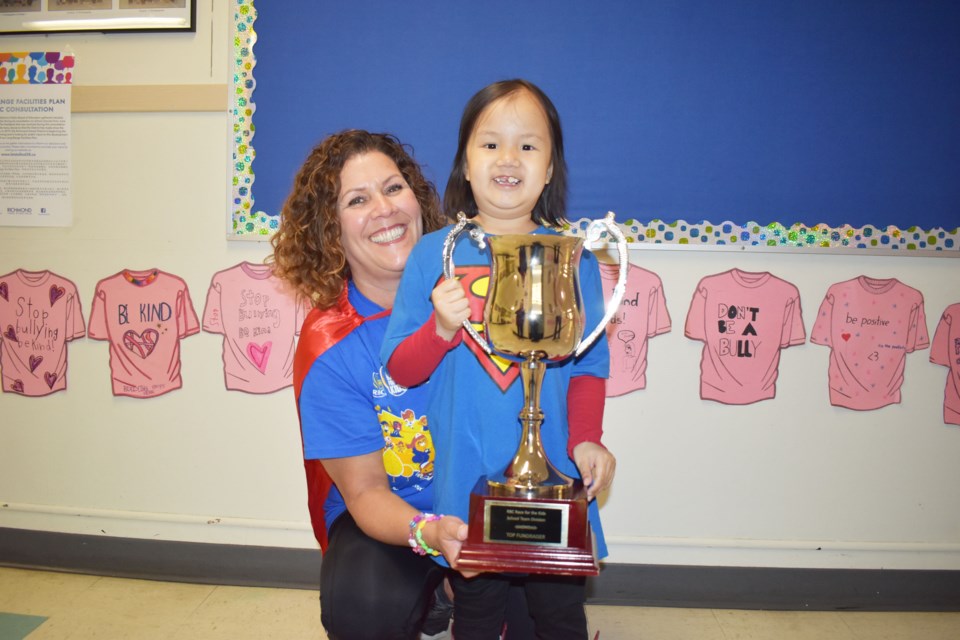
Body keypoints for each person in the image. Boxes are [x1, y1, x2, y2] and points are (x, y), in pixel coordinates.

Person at [381, 79, 617, 639]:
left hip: (552, 482)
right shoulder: (430, 256)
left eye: (528, 146)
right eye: (490, 144)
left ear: (551, 168)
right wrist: (439, 329)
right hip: (467, 481)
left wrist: (586, 438)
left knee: (560, 614)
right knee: (479, 612)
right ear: (464, 162)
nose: (508, 159)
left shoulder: (575, 260)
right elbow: (401, 371)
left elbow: (588, 366)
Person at [269, 130, 468, 640]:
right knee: (362, 607)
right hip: (383, 518)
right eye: (357, 199)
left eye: (394, 188)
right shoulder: (329, 346)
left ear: (419, 201)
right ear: (330, 231)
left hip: (473, 505)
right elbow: (364, 491)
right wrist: (429, 533)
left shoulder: (476, 293)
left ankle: (446, 594)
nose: (384, 209)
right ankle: (429, 585)